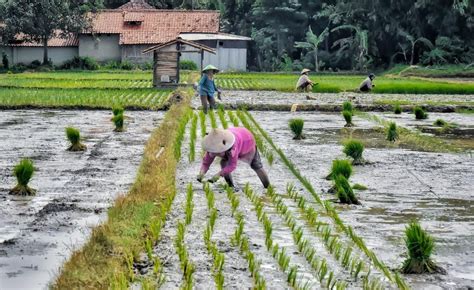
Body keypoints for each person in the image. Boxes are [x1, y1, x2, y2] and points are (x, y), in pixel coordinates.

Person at [197, 128, 270, 190]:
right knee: (223, 163)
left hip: (247, 141)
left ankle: (268, 188)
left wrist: (218, 175)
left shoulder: (232, 147)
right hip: (235, 138)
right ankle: (231, 187)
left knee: (256, 165)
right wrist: (201, 173)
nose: (216, 154)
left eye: (218, 152)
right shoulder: (212, 145)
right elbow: (206, 163)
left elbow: (232, 165)